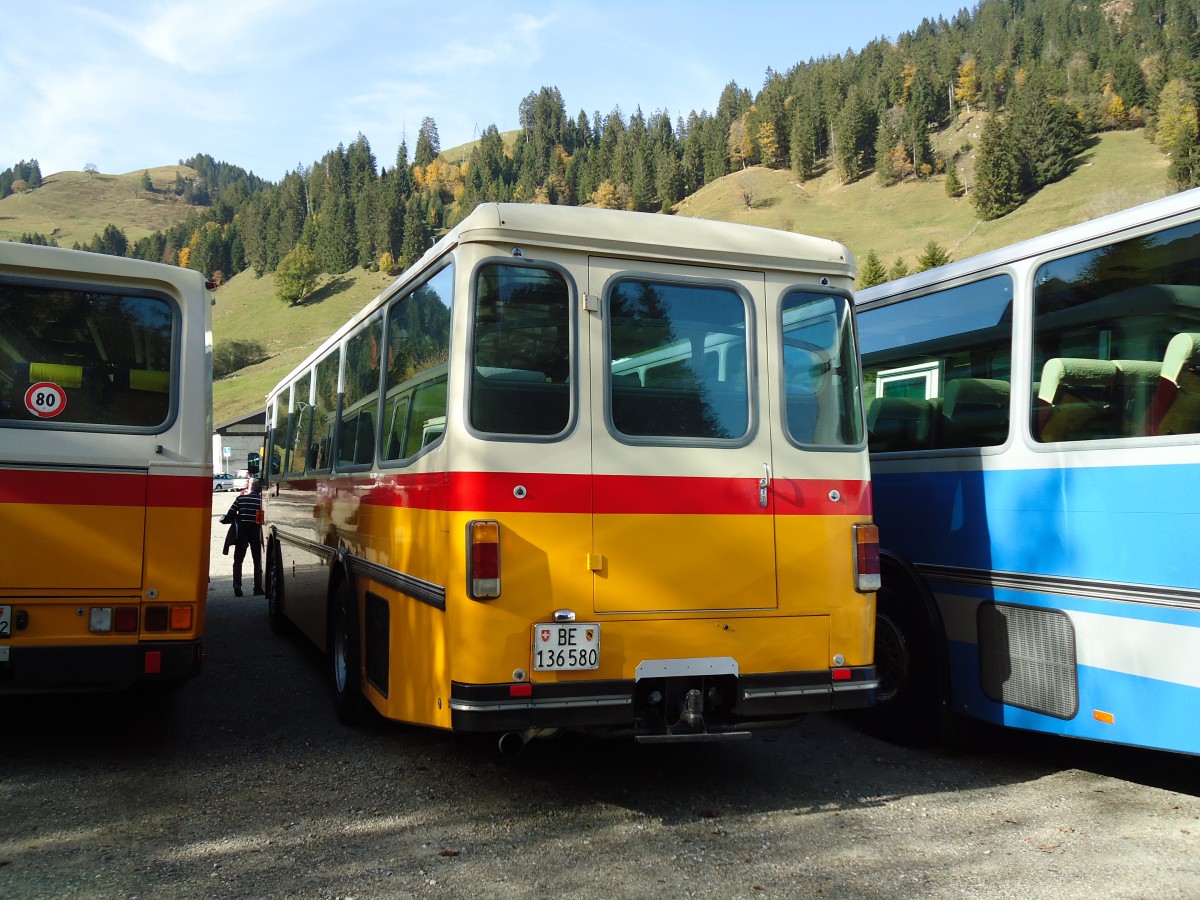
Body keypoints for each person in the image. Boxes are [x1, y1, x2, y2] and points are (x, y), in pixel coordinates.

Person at [225, 478, 263, 597]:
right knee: (257, 561)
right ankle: (257, 588)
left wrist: (233, 520)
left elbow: (230, 514)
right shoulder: (260, 500)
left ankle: (237, 584)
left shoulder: (240, 498)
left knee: (238, 560)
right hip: (255, 532)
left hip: (241, 533)